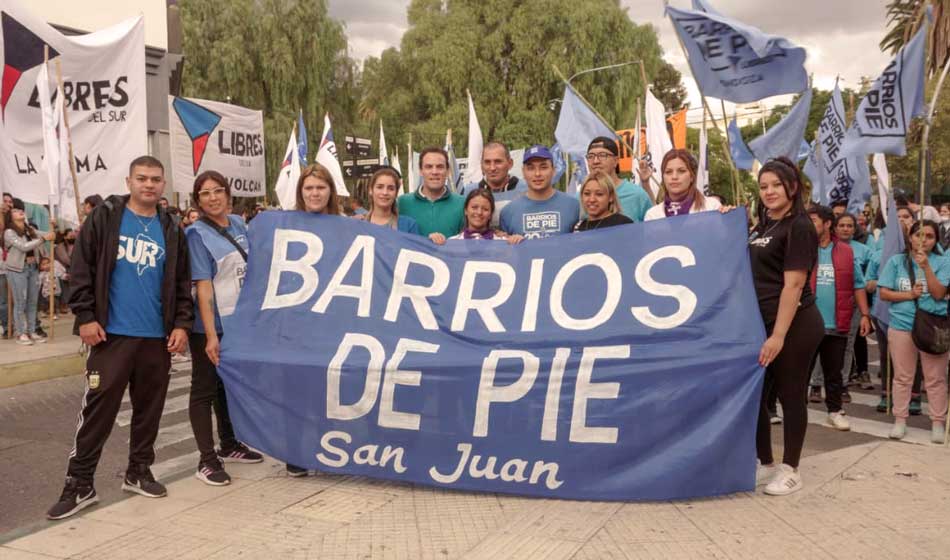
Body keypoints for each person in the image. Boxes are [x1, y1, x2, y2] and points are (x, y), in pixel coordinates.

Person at [46, 156, 193, 521]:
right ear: (129, 180)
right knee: (98, 411)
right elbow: (82, 268)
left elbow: (180, 283)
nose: (149, 184)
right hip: (110, 336)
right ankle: (80, 483)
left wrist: (181, 325)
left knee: (149, 412)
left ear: (163, 184)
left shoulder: (171, 228)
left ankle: (138, 471)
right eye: (142, 178)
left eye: (156, 179)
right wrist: (84, 316)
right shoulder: (106, 217)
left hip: (155, 339)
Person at [749, 157, 824, 496]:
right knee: (756, 398)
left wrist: (778, 335)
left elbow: (793, 286)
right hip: (760, 322)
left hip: (794, 325)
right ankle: (764, 463)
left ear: (792, 187)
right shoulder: (763, 223)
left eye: (776, 185)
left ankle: (791, 468)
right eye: (764, 186)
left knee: (791, 396)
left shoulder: (800, 226)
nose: (769, 192)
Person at [186, 170, 264, 487]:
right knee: (204, 389)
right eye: (205, 193)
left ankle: (229, 444)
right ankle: (206, 460)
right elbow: (203, 289)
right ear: (198, 200)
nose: (213, 197)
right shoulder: (196, 234)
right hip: (209, 325)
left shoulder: (238, 224)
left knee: (225, 387)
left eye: (218, 190)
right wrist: (210, 336)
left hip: (237, 323)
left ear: (228, 194)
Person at [878, 219, 949, 443]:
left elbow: (938, 293)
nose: (923, 240)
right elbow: (884, 294)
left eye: (929, 236)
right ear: (910, 237)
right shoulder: (897, 262)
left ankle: (937, 422)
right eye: (919, 235)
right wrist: (909, 295)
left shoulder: (944, 261)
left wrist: (926, 266)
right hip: (901, 325)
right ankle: (900, 420)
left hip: (933, 326)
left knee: (935, 378)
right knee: (902, 376)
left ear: (936, 240)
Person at [804, 206, 872, 432]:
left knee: (834, 373)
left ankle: (834, 411)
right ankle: (793, 410)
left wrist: (864, 315)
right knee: (800, 371)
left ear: (826, 224)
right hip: (806, 323)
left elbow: (858, 284)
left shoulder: (846, 251)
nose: (808, 224)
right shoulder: (802, 249)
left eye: (813, 220)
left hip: (836, 322)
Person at [831, 213, 874, 393]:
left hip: (855, 302)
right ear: (834, 228)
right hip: (831, 300)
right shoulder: (827, 247)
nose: (845, 229)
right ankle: (817, 384)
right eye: (842, 225)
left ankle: (843, 382)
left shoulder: (864, 250)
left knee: (849, 342)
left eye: (849, 226)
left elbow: (869, 277)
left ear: (855, 229)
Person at [499, 145, 579, 239]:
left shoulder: (574, 206)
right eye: (531, 168)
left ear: (553, 170)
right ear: (523, 172)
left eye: (543, 167)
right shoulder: (508, 212)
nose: (537, 174)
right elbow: (503, 250)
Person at [3, 198, 54, 345]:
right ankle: (21, 333)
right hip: (17, 269)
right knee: (20, 302)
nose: (20, 212)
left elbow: (46, 233)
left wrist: (52, 227)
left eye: (21, 210)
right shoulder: (9, 232)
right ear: (10, 215)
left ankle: (31, 331)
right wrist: (44, 238)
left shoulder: (29, 230)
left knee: (32, 302)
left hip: (32, 268)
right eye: (15, 210)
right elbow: (24, 246)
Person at [397, 147, 465, 237]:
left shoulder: (463, 203)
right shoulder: (402, 203)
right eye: (429, 167)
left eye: (440, 167)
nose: (434, 172)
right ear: (421, 171)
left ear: (448, 171)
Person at [583, 137, 652, 222]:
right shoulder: (580, 197)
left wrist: (646, 184)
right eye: (590, 156)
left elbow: (656, 224)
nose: (595, 161)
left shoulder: (637, 195)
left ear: (616, 161)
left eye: (602, 155)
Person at [460, 141, 528, 227]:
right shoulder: (469, 191)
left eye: (498, 162)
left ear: (510, 163)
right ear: (481, 165)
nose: (492, 168)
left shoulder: (526, 188)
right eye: (487, 162)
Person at [641, 149, 721, 221]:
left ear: (692, 177)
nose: (674, 177)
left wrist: (729, 216)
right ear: (663, 177)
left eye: (681, 171)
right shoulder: (653, 215)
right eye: (668, 172)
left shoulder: (712, 207)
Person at [355, 167, 421, 234]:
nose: (385, 192)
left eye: (391, 188)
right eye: (380, 187)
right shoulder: (357, 223)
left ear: (396, 193)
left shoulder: (408, 226)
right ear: (370, 190)